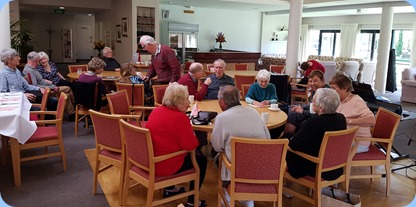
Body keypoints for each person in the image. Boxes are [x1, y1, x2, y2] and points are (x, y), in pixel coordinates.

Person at [145, 82, 207, 207]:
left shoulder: (156, 111)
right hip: (166, 165)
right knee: (201, 159)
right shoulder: (180, 118)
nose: (189, 104)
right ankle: (192, 201)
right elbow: (190, 146)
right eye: (186, 100)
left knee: (170, 145)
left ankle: (169, 189)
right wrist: (195, 137)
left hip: (150, 160)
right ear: (177, 101)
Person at [211, 85, 270, 207]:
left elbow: (217, 147)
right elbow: (267, 138)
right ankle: (247, 199)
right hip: (262, 168)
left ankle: (228, 196)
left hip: (236, 169)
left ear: (222, 101)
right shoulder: (253, 112)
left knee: (219, 158)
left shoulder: (222, 117)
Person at [286, 88, 346, 180]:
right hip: (334, 167)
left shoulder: (314, 122)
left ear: (321, 107)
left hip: (314, 167)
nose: (311, 103)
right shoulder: (341, 118)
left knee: (286, 139)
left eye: (313, 101)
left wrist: (289, 138)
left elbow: (295, 146)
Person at [330, 74, 375, 153]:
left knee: (322, 147)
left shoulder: (356, 101)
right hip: (344, 138)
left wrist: (347, 121)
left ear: (344, 88)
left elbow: (371, 121)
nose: (331, 91)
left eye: (333, 88)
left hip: (357, 142)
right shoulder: (338, 100)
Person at [23, 51, 75, 115]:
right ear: (35, 60)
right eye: (39, 60)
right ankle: (73, 110)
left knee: (68, 90)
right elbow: (35, 85)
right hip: (45, 90)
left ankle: (72, 111)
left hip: (49, 86)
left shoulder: (33, 68)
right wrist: (52, 87)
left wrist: (52, 85)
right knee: (67, 90)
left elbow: (42, 80)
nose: (40, 62)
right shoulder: (29, 70)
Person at [283, 70, 330, 136]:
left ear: (323, 81)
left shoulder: (325, 93)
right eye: (310, 81)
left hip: (317, 118)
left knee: (292, 113)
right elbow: (311, 106)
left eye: (315, 81)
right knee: (291, 109)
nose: (312, 84)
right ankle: (288, 136)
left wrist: (302, 111)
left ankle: (288, 138)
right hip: (312, 114)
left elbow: (317, 113)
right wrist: (302, 108)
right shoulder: (316, 90)